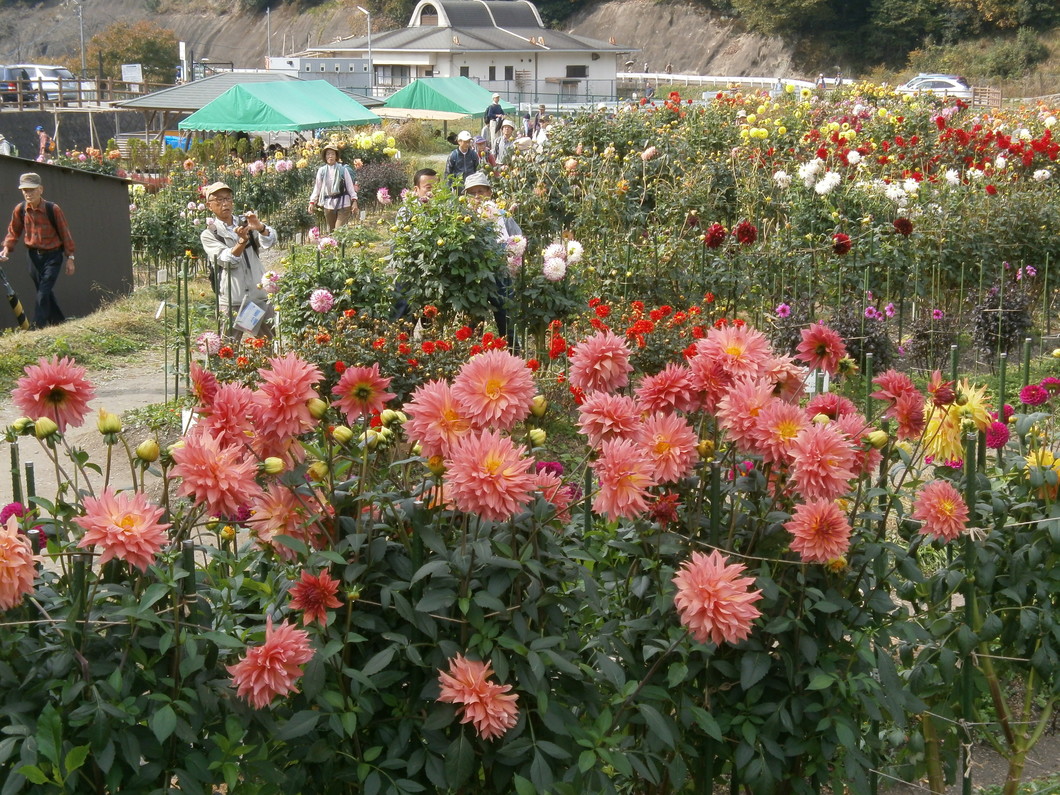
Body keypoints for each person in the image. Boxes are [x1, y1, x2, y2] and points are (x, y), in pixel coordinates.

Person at [199, 181, 277, 340]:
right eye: (219, 200)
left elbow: (269, 242)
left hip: (258, 296)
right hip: (232, 300)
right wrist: (242, 241)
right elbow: (228, 261)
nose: (225, 203)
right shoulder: (209, 234)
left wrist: (260, 228)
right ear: (209, 205)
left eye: (228, 198)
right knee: (229, 350)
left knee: (270, 345)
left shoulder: (246, 222)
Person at [0, 172, 76, 328]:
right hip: (33, 257)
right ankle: (59, 323)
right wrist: (6, 249)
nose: (28, 194)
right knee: (44, 292)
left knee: (43, 291)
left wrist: (70, 258)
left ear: (41, 189)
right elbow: (13, 232)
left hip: (53, 256)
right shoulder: (20, 209)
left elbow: (65, 234)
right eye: (25, 190)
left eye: (32, 189)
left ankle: (37, 326)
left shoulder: (52, 209)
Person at [462, 171, 520, 343]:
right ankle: (472, 354)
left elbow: (518, 240)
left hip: (501, 275)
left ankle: (512, 354)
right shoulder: (464, 219)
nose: (477, 196)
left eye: (480, 191)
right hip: (475, 277)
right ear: (466, 197)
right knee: (474, 320)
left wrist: (513, 263)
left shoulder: (502, 216)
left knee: (506, 316)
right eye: (472, 193)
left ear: (489, 192)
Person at [391, 168, 439, 321]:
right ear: (416, 189)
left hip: (433, 268)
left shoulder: (442, 210)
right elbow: (400, 243)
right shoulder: (406, 211)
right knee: (404, 306)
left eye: (436, 187)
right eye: (428, 188)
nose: (432, 192)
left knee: (430, 312)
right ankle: (401, 340)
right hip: (410, 267)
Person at [308, 143, 358, 231]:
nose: (330, 156)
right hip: (329, 204)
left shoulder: (343, 170)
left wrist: (354, 201)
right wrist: (312, 202)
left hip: (343, 204)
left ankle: (340, 243)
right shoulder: (322, 171)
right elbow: (317, 188)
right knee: (331, 231)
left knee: (339, 231)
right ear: (325, 156)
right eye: (328, 154)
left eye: (332, 154)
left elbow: (350, 187)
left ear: (336, 156)